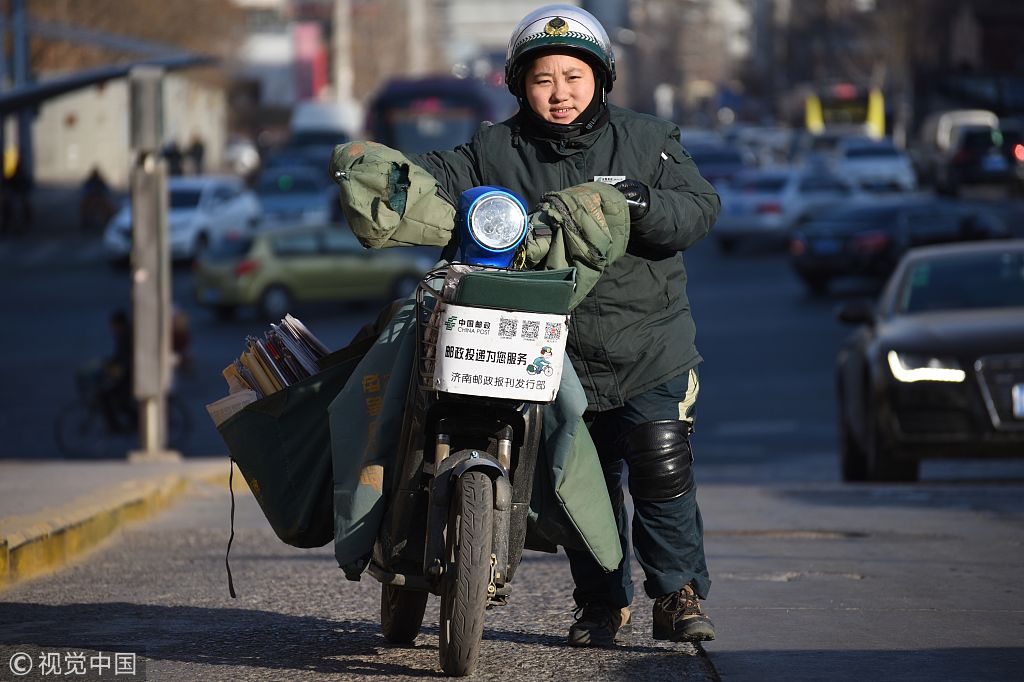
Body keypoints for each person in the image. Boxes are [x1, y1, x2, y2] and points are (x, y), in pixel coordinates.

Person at [405, 5, 721, 646]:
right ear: (520, 84)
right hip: (551, 352)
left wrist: (641, 203)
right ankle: (602, 605)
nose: (560, 94)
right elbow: (440, 179)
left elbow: (699, 210)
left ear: (600, 80)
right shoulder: (496, 146)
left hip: (649, 345)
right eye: (544, 79)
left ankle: (678, 594)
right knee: (584, 481)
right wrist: (389, 177)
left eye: (574, 78)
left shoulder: (646, 138)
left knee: (659, 467)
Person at [97, 309, 135, 433]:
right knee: (114, 396)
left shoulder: (127, 336)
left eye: (114, 325)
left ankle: (128, 423)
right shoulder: (124, 334)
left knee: (117, 398)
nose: (113, 328)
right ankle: (122, 424)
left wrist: (114, 366)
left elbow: (125, 359)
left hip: (130, 375)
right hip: (127, 373)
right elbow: (120, 357)